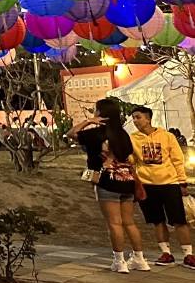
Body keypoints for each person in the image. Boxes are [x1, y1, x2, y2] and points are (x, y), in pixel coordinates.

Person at [71, 98, 148, 274]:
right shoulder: (123, 134)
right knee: (129, 222)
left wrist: (88, 121)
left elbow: (71, 133)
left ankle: (119, 261)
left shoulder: (96, 134)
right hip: (126, 181)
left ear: (100, 113)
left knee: (114, 223)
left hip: (107, 182)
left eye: (95, 110)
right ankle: (140, 259)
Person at [128, 105, 193, 267]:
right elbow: (131, 160)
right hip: (147, 185)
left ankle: (189, 255)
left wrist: (182, 182)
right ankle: (166, 253)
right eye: (133, 118)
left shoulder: (167, 136)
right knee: (157, 220)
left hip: (169, 183)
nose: (135, 121)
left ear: (148, 118)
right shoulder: (133, 138)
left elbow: (177, 160)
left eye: (138, 117)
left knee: (179, 220)